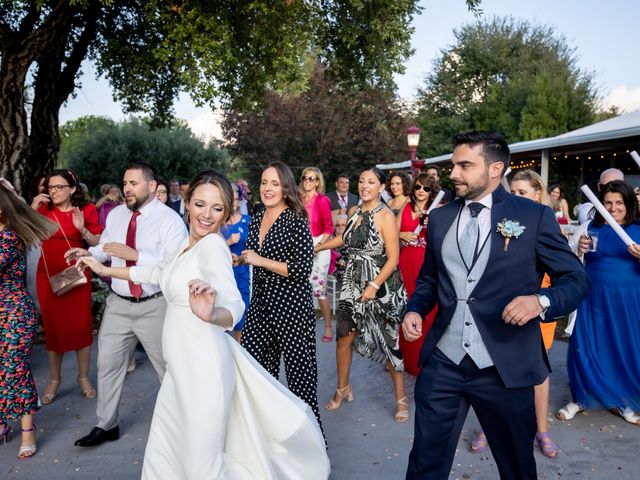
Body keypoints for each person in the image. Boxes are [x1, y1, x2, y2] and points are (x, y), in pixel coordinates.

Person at [77, 170, 329, 479]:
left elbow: (235, 307)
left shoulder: (212, 247)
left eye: (217, 208)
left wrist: (212, 314)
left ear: (226, 212)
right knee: (167, 454)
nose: (207, 215)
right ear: (186, 203)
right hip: (178, 373)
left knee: (201, 464)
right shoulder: (186, 244)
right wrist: (102, 268)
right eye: (199, 204)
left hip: (203, 372)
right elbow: (157, 272)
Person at [402, 131, 590, 479]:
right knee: (425, 462)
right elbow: (430, 278)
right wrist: (414, 308)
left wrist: (540, 300)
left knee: (516, 466)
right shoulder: (440, 218)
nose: (454, 173)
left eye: (464, 165)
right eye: (453, 165)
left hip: (505, 364)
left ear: (495, 168)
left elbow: (576, 280)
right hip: (445, 361)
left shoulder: (532, 216)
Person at [67, 162, 187, 447]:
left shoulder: (170, 221)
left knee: (167, 369)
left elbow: (175, 265)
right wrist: (87, 252)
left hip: (154, 305)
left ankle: (184, 426)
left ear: (152, 186)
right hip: (119, 304)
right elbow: (106, 248)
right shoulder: (118, 215)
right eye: (125, 182)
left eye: (133, 183)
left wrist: (136, 254)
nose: (127, 188)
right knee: (107, 365)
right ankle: (106, 425)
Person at [468, 169, 559, 458]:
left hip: (537, 302)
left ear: (537, 194)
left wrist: (543, 301)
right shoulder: (499, 218)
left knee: (537, 370)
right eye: (514, 192)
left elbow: (562, 269)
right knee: (496, 366)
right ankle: (490, 426)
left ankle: (541, 430)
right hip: (504, 304)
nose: (517, 197)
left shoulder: (544, 218)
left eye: (524, 193)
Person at [316, 167, 409, 422]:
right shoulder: (356, 211)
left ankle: (401, 398)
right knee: (343, 338)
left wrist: (374, 285)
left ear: (381, 187)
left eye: (371, 181)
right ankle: (343, 388)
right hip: (350, 284)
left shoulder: (386, 216)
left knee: (389, 343)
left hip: (381, 287)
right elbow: (343, 239)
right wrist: (320, 246)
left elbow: (393, 258)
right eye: (361, 181)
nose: (364, 185)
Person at [239, 162, 323, 429]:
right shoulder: (257, 216)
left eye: (274, 183)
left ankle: (312, 447)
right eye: (264, 182)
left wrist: (260, 260)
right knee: (257, 375)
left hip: (291, 309)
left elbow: (301, 269)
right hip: (261, 306)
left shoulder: (296, 219)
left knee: (300, 381)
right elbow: (251, 255)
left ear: (286, 187)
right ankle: (268, 441)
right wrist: (238, 259)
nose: (268, 188)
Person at [557, 180, 640, 426]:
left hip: (628, 300)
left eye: (619, 203)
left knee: (622, 346)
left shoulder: (638, 228)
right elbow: (571, 258)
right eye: (608, 203)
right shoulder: (589, 226)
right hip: (592, 296)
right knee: (587, 344)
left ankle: (624, 400)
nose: (613, 208)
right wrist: (578, 248)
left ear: (629, 204)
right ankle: (581, 398)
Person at [30, 169, 103, 406]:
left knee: (81, 326)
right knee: (54, 329)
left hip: (77, 275)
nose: (53, 192)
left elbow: (98, 242)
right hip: (48, 277)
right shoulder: (42, 209)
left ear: (72, 188)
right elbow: (25, 235)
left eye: (58, 187)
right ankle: (54, 379)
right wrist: (31, 209)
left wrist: (81, 229)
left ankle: (83, 378)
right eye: (50, 188)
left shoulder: (87, 210)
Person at [0, 180, 59, 459]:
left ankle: (27, 432)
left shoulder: (10, 237)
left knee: (16, 370)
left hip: (14, 315)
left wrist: (11, 194)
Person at [397, 174, 440, 376]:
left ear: (433, 192)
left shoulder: (437, 210)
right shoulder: (406, 206)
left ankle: (427, 359)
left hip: (426, 262)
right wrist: (401, 235)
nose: (421, 191)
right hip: (405, 261)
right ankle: (406, 357)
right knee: (404, 307)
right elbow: (391, 231)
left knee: (427, 310)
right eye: (418, 187)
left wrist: (433, 225)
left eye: (426, 188)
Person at [300, 167, 335, 342]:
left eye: (311, 179)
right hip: (302, 245)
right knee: (300, 286)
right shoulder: (298, 199)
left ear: (317, 182)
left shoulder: (322, 201)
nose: (307, 181)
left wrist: (319, 246)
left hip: (320, 244)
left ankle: (328, 325)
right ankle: (304, 325)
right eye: (305, 178)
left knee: (319, 287)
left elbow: (329, 228)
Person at [221, 183, 251, 342]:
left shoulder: (249, 221)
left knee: (241, 320)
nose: (232, 202)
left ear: (240, 201)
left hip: (242, 276)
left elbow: (257, 251)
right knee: (221, 320)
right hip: (222, 277)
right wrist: (227, 242)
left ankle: (241, 356)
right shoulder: (218, 224)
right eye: (229, 199)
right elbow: (208, 248)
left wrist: (241, 258)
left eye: (235, 199)